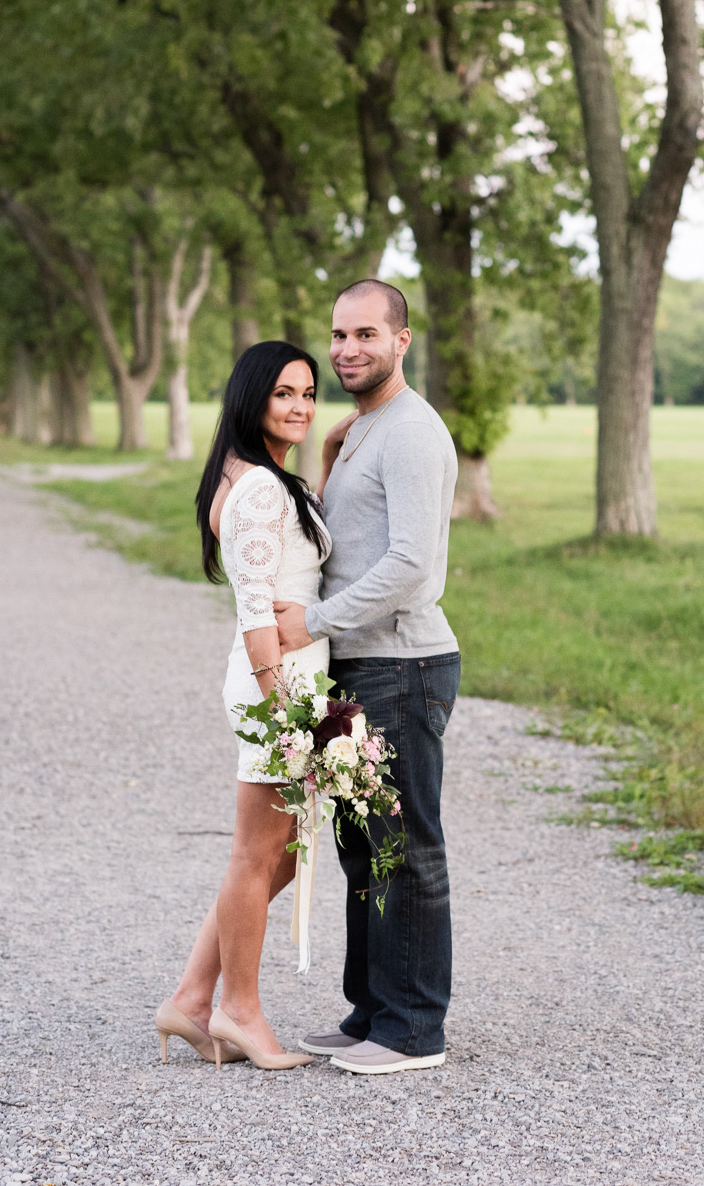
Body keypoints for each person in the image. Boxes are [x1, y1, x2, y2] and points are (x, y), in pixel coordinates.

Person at [273, 279, 461, 1077]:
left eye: (365, 335)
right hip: (359, 663)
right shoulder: (362, 432)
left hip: (404, 663)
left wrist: (308, 624)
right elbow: (336, 541)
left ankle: (414, 1029)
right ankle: (372, 1013)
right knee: (361, 848)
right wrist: (325, 457)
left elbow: (413, 568)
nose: (348, 349)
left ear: (401, 341)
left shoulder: (412, 433)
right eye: (338, 335)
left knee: (405, 848)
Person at [154, 342, 329, 1073]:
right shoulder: (258, 489)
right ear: (252, 397)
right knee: (259, 856)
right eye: (284, 393)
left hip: (284, 688)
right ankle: (239, 1010)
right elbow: (257, 610)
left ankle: (194, 999)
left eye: (309, 394)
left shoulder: (257, 477)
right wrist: (281, 716)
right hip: (274, 690)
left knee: (273, 858)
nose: (300, 407)